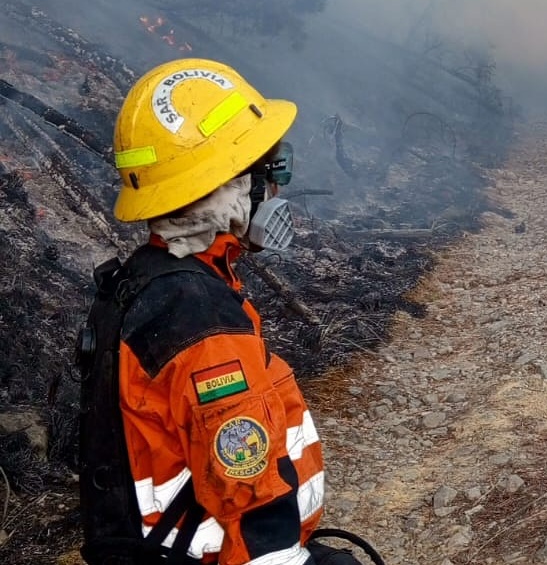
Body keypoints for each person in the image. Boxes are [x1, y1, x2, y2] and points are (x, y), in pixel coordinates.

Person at [78, 58, 360, 565]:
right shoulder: (200, 319)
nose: (278, 187)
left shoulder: (147, 282)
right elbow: (250, 497)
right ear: (227, 185)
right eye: (272, 169)